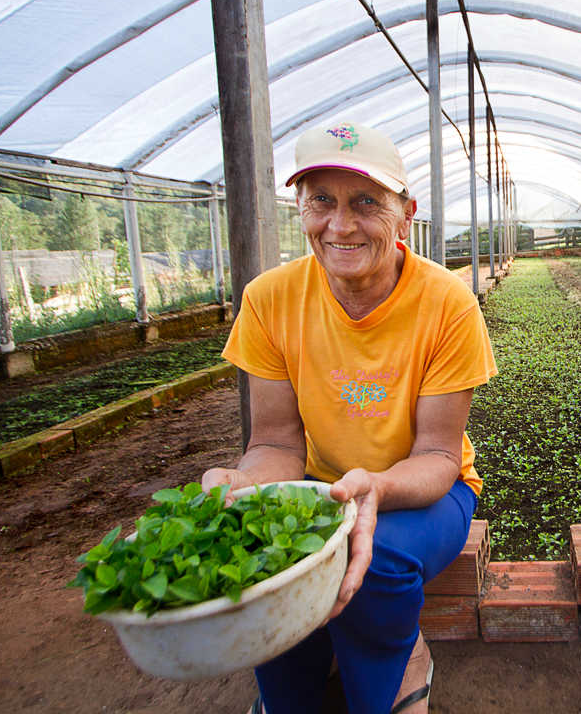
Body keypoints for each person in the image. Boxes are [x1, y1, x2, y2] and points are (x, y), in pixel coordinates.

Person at [202, 121, 497, 714]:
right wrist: (243, 482)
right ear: (300, 208)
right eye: (322, 201)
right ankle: (291, 693)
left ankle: (384, 683)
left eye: (366, 202)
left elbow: (438, 456)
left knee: (376, 557)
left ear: (405, 213)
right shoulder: (269, 299)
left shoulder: (447, 304)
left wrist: (377, 487)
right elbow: (278, 443)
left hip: (427, 492)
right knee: (273, 562)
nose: (341, 225)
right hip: (325, 486)